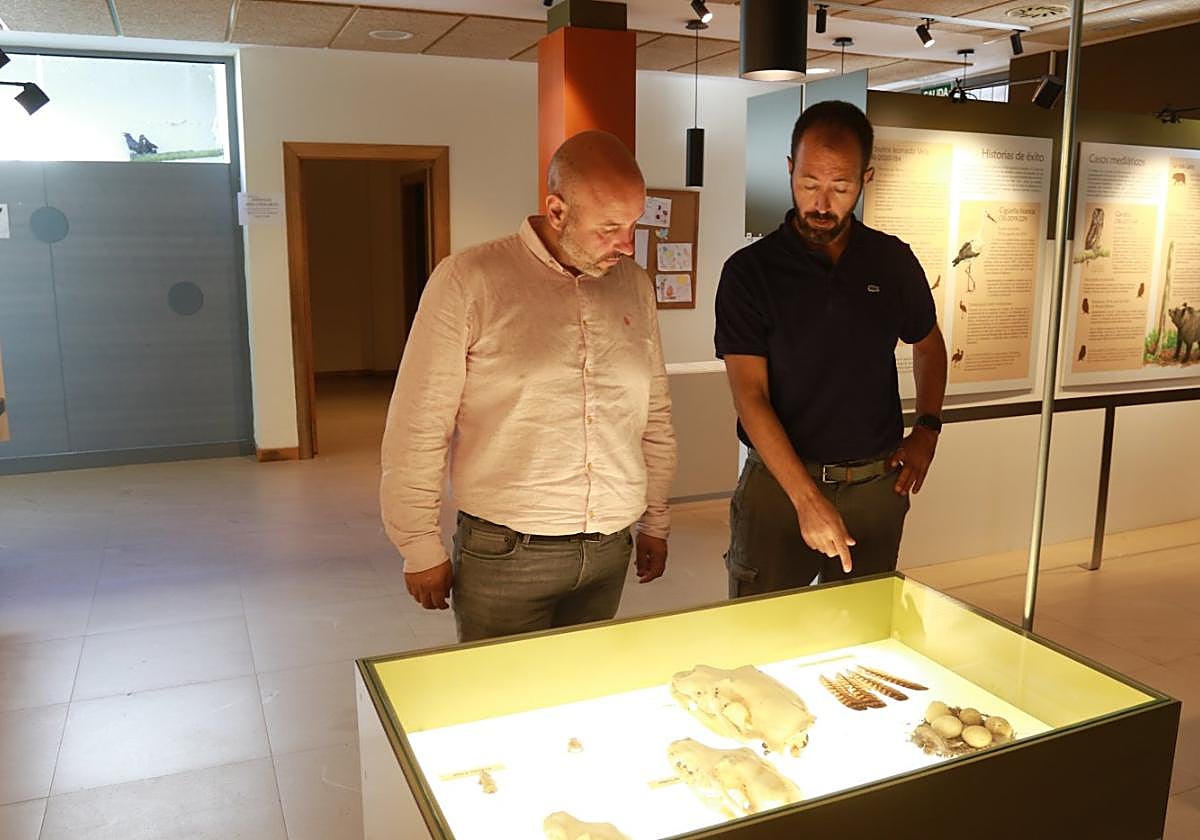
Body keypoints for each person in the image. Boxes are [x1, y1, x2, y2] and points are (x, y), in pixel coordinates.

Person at [380, 130, 677, 642]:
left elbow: (653, 413)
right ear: (557, 211)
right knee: (499, 704)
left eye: (633, 225)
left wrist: (656, 518)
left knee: (583, 697)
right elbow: (419, 422)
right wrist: (418, 544)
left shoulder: (633, 285)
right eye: (609, 228)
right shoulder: (469, 280)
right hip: (507, 552)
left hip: (610, 548)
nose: (626, 245)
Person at [714, 100, 947, 598]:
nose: (821, 204)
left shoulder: (891, 261)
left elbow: (928, 344)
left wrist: (927, 428)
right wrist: (806, 498)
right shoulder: (749, 273)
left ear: (866, 178)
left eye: (840, 189)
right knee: (762, 630)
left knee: (864, 630)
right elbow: (749, 395)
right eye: (808, 185)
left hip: (874, 484)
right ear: (790, 169)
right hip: (778, 487)